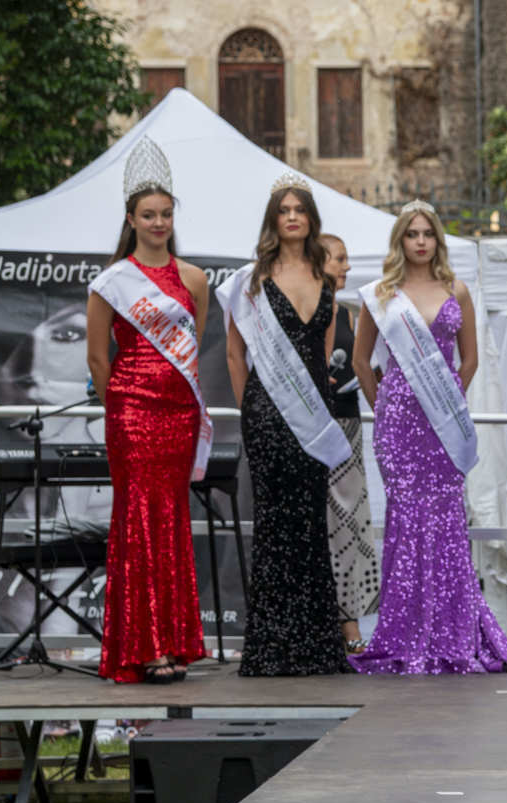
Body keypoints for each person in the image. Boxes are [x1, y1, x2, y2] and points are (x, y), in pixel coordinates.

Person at [350, 201, 507, 674]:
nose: (420, 242)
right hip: (399, 426)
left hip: (442, 424)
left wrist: (448, 404)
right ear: (400, 241)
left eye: (428, 234)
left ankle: (450, 633)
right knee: (406, 525)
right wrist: (386, 405)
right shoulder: (381, 294)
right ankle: (405, 635)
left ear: (437, 240)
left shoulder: (456, 289)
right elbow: (362, 361)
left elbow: (471, 359)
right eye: (412, 234)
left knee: (445, 525)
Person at [85, 137, 209, 684]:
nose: (158, 222)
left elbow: (194, 343)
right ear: (131, 219)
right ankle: (145, 647)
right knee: (138, 519)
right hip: (132, 414)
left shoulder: (194, 279)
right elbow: (97, 357)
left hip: (179, 413)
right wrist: (121, 407)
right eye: (148, 215)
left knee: (172, 520)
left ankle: (174, 642)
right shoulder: (112, 282)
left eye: (165, 214)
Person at [220, 173, 350, 677]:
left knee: (312, 524)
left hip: (312, 414)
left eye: (300, 209)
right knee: (274, 525)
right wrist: (251, 410)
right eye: (284, 210)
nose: (292, 216)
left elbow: (323, 354)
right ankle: (273, 647)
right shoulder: (250, 281)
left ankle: (317, 646)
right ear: (273, 220)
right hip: (268, 414)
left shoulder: (326, 278)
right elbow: (235, 355)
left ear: (311, 219)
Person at [319, 233, 380, 654]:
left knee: (348, 524)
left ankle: (351, 622)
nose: (347, 267)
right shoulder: (302, 310)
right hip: (310, 429)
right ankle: (325, 623)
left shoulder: (350, 314)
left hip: (347, 425)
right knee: (318, 525)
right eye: (340, 259)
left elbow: (362, 365)